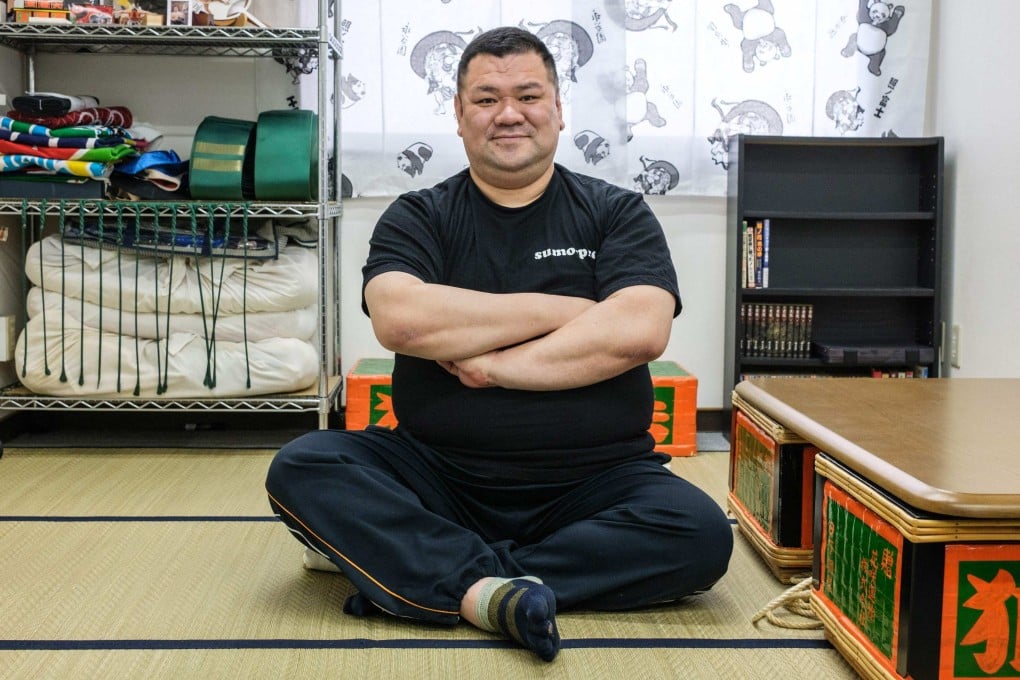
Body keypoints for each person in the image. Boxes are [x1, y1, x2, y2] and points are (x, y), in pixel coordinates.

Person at [266, 26, 733, 663]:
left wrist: (494, 368)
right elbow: (403, 321)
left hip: (596, 480)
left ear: (559, 110)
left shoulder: (615, 212)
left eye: (528, 96)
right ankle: (482, 579)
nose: (508, 113)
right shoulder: (420, 215)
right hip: (439, 476)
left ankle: (436, 576)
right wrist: (563, 309)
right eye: (486, 99)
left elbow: (640, 329)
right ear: (459, 115)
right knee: (303, 466)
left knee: (701, 535)